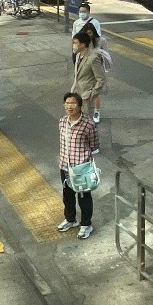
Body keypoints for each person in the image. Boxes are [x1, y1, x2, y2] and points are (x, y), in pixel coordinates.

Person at [57, 92, 99, 240]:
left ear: (80, 105)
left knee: (84, 197)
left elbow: (94, 144)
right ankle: (70, 220)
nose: (70, 106)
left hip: (81, 168)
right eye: (67, 103)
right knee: (67, 196)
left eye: (73, 103)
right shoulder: (62, 122)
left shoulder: (88, 124)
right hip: (65, 166)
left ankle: (86, 224)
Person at [71, 29, 106, 125]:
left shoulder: (93, 58)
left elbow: (101, 79)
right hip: (77, 93)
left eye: (75, 43)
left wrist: (92, 94)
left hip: (87, 96)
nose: (73, 45)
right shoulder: (78, 55)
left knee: (87, 123)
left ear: (82, 44)